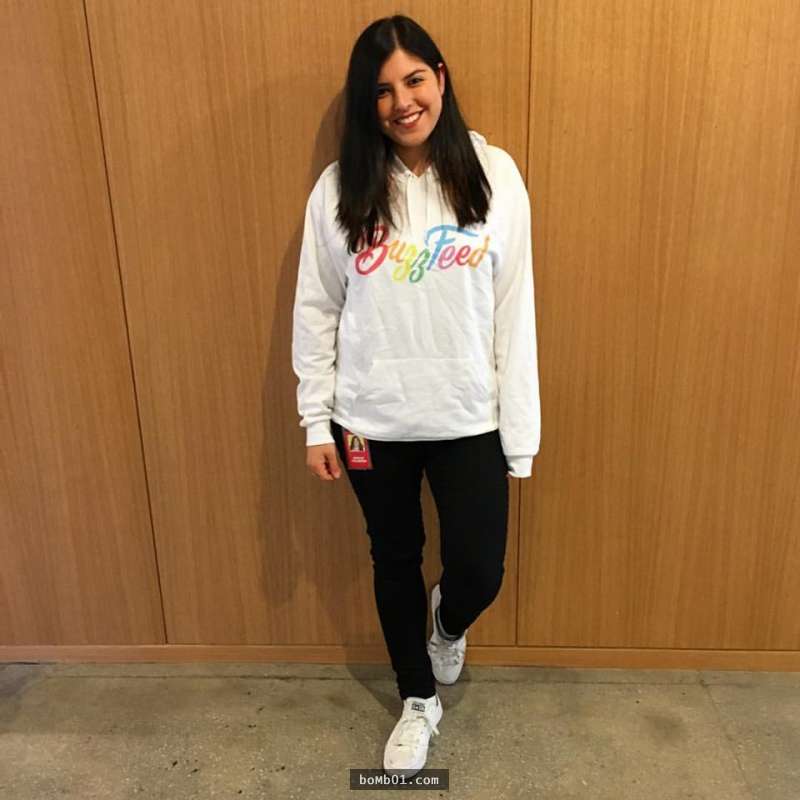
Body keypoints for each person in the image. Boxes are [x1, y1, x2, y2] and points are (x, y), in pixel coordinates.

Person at [291, 14, 541, 779]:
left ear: (441, 78)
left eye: (414, 80)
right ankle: (416, 698)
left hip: (469, 416)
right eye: (382, 91)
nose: (402, 102)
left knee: (480, 570)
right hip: (368, 422)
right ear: (366, 104)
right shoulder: (340, 189)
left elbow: (514, 311)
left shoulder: (493, 176)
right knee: (393, 557)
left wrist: (520, 433)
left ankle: (448, 623)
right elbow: (317, 308)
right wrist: (315, 419)